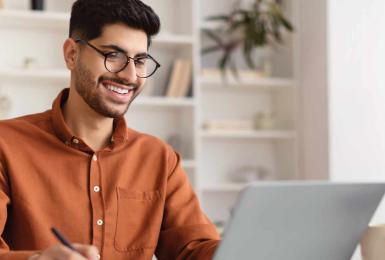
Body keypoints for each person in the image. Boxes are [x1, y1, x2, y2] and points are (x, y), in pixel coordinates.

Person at [0, 0, 220, 259]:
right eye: (112, 55)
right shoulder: (6, 144)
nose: (129, 76)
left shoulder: (160, 158)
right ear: (72, 54)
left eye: (139, 60)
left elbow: (194, 248)